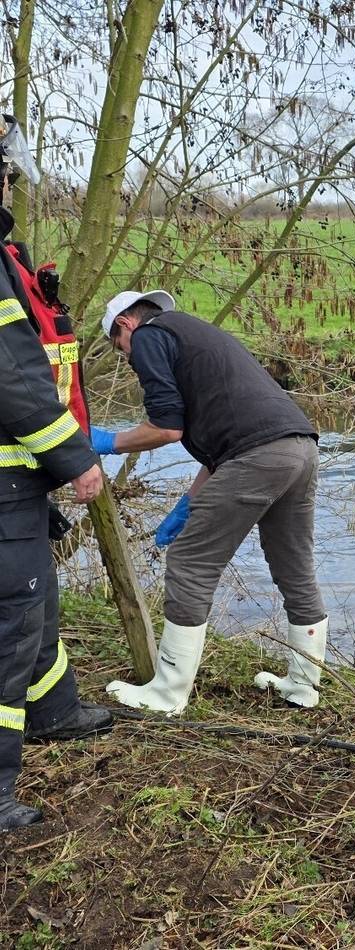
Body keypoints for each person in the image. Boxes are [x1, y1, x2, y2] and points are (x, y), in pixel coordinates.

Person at [92, 291, 327, 715]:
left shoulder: (147, 336)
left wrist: (110, 441)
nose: (127, 358)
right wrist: (187, 504)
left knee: (190, 563)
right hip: (299, 448)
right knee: (295, 568)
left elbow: (167, 428)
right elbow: (229, 445)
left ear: (125, 324)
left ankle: (166, 694)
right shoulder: (197, 338)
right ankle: (303, 686)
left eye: (119, 348)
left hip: (258, 456)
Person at [0, 209, 112, 833]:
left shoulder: (8, 260)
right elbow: (12, 378)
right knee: (11, 628)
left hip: (16, 484)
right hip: (9, 477)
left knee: (34, 602)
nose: (10, 184)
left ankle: (52, 711)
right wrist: (73, 455)